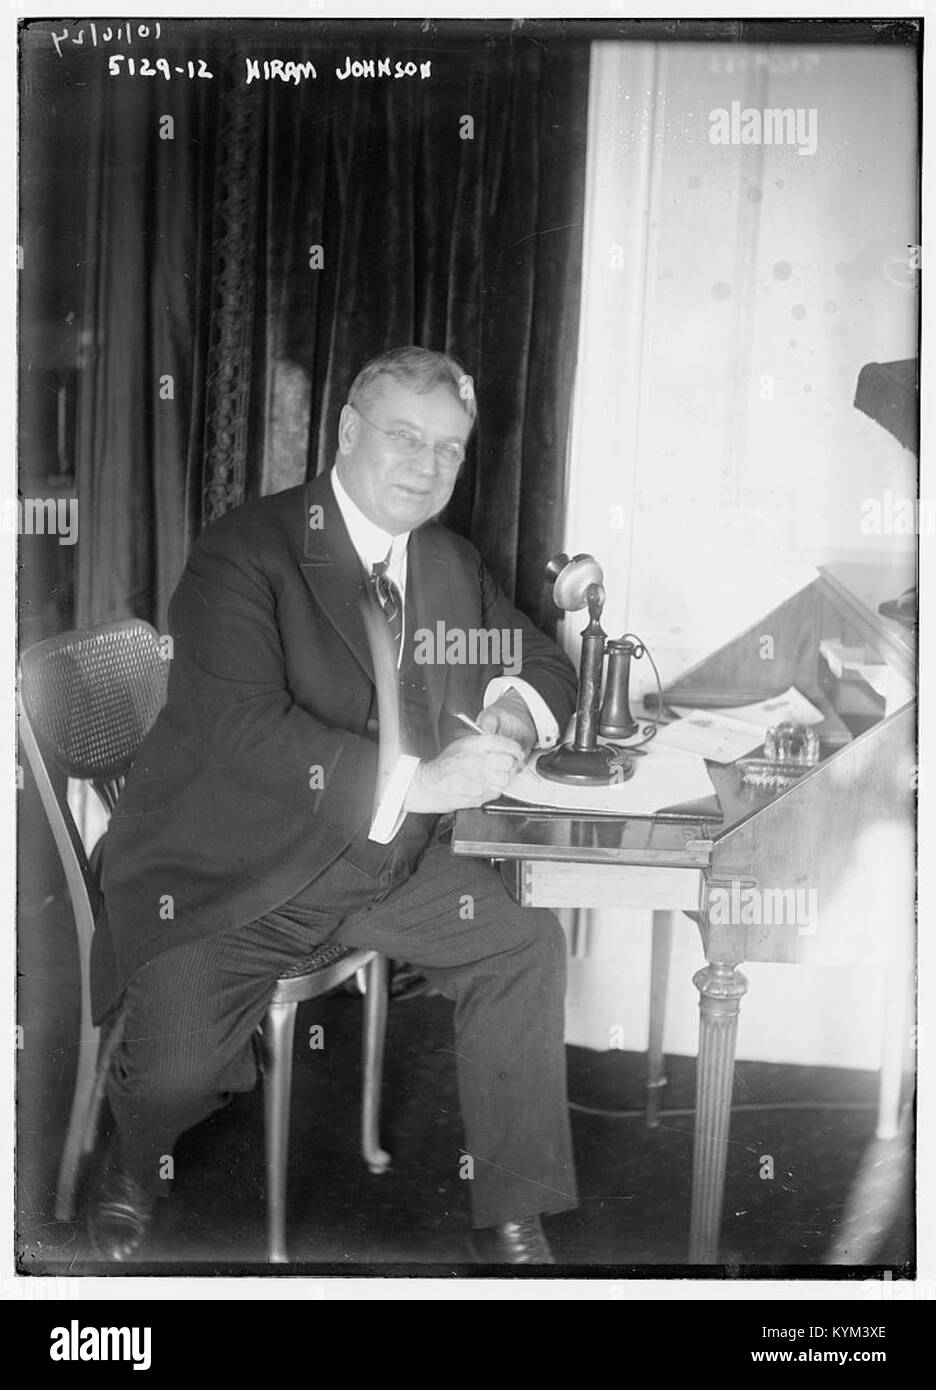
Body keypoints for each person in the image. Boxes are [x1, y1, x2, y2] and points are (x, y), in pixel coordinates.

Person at [90, 346, 579, 1264]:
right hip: (235, 863)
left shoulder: (446, 559)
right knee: (179, 1074)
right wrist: (424, 784)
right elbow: (241, 728)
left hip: (382, 863)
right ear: (348, 433)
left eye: (449, 449)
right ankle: (134, 1159)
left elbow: (542, 657)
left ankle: (517, 1210)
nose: (428, 467)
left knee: (523, 941)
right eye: (404, 438)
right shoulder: (247, 548)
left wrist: (511, 708)